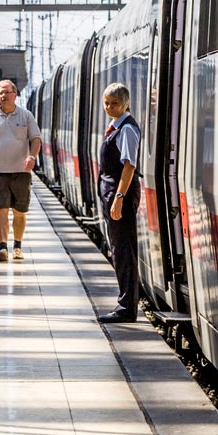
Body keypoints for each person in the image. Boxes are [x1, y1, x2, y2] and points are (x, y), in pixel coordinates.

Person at [0, 81, 40, 262]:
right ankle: (3, 247)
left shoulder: (26, 116)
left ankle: (17, 246)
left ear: (15, 94)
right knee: (1, 210)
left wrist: (32, 157)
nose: (4, 96)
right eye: (1, 93)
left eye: (7, 92)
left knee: (19, 212)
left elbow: (36, 139)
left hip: (21, 172)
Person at [96, 83, 142, 323]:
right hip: (113, 194)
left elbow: (130, 166)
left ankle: (127, 307)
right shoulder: (116, 127)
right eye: (106, 103)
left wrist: (119, 199)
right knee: (118, 249)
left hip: (119, 195)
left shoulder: (127, 130)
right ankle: (125, 303)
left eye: (114, 103)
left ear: (126, 103)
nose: (109, 107)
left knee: (124, 251)